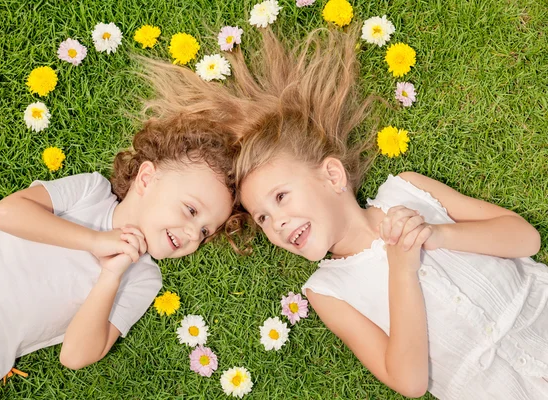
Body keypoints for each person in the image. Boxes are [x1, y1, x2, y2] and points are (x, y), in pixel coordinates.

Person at [141, 27, 548, 399]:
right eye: (262, 218)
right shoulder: (328, 291)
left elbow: (525, 238)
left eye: (281, 198)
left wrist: (437, 236)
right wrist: (401, 271)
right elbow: (408, 381)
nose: (276, 222)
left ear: (332, 175)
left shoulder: (407, 189)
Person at [0, 111, 240, 399]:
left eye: (205, 232)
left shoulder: (143, 278)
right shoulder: (91, 192)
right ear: (147, 178)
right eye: (190, 210)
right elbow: (4, 214)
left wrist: (111, 276)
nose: (192, 234)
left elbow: (75, 355)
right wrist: (94, 241)